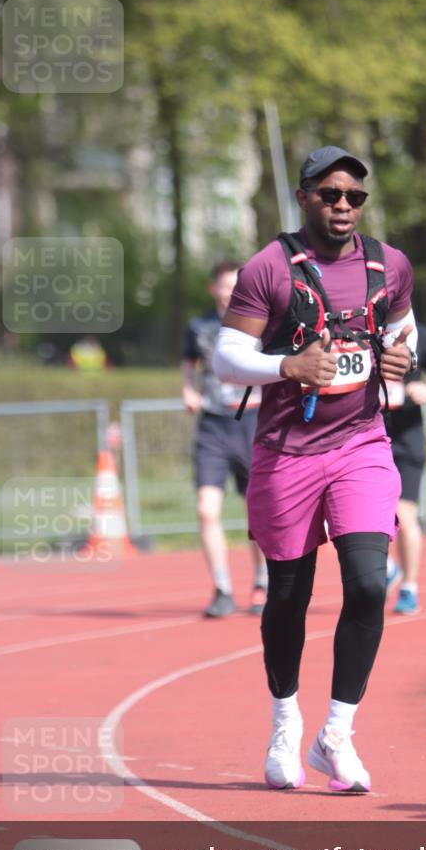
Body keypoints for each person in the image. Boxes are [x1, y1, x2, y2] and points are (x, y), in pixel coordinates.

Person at [213, 146, 416, 792]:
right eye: (329, 194)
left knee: (365, 582)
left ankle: (336, 734)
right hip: (286, 451)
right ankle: (283, 721)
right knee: (289, 596)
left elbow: (403, 332)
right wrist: (287, 367)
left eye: (354, 196)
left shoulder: (390, 264)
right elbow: (226, 357)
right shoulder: (268, 267)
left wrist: (398, 361)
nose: (343, 206)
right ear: (303, 196)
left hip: (361, 443)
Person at [182, 261, 268, 618]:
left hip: (252, 421)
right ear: (213, 289)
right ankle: (221, 588)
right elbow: (188, 363)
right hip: (214, 426)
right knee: (206, 510)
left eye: (237, 285)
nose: (230, 292)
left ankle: (263, 582)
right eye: (224, 285)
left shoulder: (262, 322)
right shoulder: (199, 327)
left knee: (257, 513)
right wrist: (187, 390)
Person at [384, 324, 426, 614]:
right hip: (363, 438)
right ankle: (387, 568)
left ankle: (409, 587)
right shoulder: (359, 333)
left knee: (404, 514)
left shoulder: (422, 337)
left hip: (406, 442)